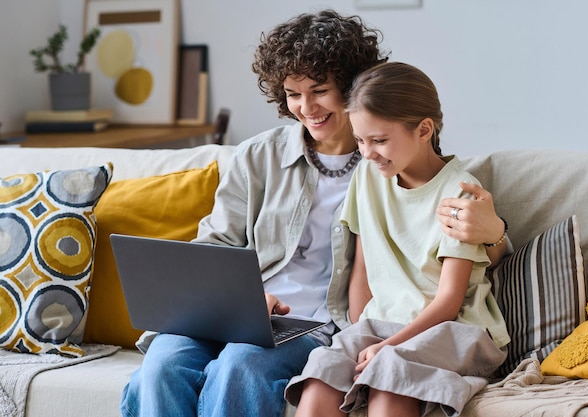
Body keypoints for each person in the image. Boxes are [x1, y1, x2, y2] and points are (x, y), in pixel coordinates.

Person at [120, 11, 507, 417]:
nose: (306, 107)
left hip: (311, 324)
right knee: (160, 367)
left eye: (320, 90)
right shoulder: (258, 156)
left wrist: (495, 231)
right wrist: (242, 299)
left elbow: (458, 248)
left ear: (352, 87)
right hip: (233, 313)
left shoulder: (386, 162)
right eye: (292, 93)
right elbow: (213, 246)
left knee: (241, 365)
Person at [284, 62, 511, 417]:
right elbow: (363, 269)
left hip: (453, 329)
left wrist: (387, 346)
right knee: (321, 374)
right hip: (381, 324)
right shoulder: (367, 177)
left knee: (389, 376)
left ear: (423, 130)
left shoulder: (459, 193)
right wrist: (360, 334)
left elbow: (449, 300)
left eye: (379, 140)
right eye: (360, 140)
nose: (368, 152)